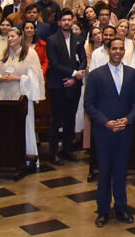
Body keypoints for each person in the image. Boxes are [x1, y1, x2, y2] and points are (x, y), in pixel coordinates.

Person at [83, 37, 135, 227]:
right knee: (104, 171)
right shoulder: (96, 75)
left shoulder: (132, 74)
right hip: (104, 131)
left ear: (124, 51)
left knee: (121, 171)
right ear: (109, 50)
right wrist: (105, 122)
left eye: (120, 49)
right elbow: (89, 104)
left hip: (124, 130)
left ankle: (121, 208)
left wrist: (128, 119)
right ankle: (103, 210)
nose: (117, 51)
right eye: (114, 48)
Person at [0, 27, 45, 166]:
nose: (10, 39)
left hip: (21, 97)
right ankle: (6, 157)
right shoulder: (4, 53)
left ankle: (25, 157)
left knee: (23, 126)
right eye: (8, 37)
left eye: (13, 36)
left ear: (20, 37)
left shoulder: (30, 54)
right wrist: (0, 78)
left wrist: (18, 78)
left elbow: (34, 77)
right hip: (5, 97)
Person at [45, 9, 87, 164]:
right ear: (59, 23)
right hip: (58, 85)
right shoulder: (52, 40)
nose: (67, 22)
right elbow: (54, 63)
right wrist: (73, 74)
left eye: (69, 20)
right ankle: (53, 152)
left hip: (74, 85)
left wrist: (75, 78)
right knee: (57, 120)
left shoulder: (78, 38)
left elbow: (83, 59)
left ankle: (67, 150)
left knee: (70, 118)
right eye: (64, 20)